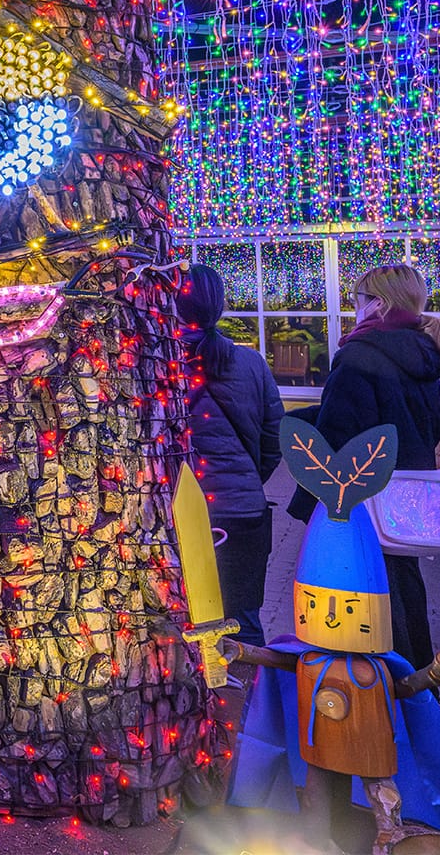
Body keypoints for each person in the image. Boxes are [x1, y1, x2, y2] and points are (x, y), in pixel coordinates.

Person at [289, 263, 440, 672]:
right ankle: (419, 687)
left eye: (357, 300)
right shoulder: (425, 354)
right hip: (405, 498)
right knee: (404, 586)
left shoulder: (359, 356)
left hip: (362, 501)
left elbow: (337, 436)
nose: (353, 309)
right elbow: (421, 424)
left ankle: (375, 691)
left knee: (363, 595)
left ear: (377, 304)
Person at [178, 264, 283, 647]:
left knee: (187, 615)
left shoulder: (162, 363)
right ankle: (254, 700)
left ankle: (200, 698)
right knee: (244, 618)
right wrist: (250, 479)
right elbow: (276, 438)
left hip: (185, 512)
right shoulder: (251, 363)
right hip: (245, 511)